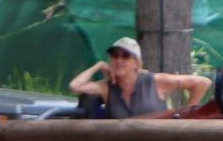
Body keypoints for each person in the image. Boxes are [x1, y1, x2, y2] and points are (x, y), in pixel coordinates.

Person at [68, 36, 210, 117]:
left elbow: (202, 82)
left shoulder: (156, 81)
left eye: (125, 56)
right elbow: (75, 86)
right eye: (115, 56)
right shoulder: (105, 87)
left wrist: (187, 113)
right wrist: (98, 65)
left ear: (137, 63)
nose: (119, 60)